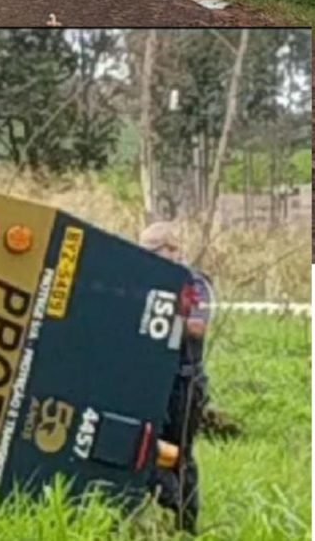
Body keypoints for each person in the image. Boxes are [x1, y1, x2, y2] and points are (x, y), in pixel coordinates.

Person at [139, 222, 214, 536]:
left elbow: (197, 326)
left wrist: (163, 313)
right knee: (144, 446)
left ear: (173, 249)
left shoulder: (194, 282)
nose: (152, 258)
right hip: (152, 378)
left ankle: (185, 522)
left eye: (156, 251)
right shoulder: (144, 277)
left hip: (185, 381)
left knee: (179, 454)